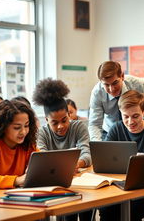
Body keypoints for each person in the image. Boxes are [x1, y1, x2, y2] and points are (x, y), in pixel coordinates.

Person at [99, 90, 144, 221]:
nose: (130, 122)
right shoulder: (116, 129)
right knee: (105, 208)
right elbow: (104, 160)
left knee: (130, 208)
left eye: (135, 116)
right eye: (126, 116)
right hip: (120, 186)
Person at [33, 78, 92, 221]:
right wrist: (65, 168)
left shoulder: (79, 127)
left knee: (87, 207)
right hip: (57, 186)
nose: (61, 126)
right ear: (46, 120)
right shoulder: (42, 133)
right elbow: (42, 158)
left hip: (82, 183)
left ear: (69, 115)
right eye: (54, 122)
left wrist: (76, 164)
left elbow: (87, 153)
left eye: (64, 120)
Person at [89, 61, 144, 141]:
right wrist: (97, 146)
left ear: (122, 76)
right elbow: (95, 124)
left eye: (115, 83)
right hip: (110, 132)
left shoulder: (137, 85)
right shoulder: (97, 93)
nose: (111, 89)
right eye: (106, 85)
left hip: (136, 132)